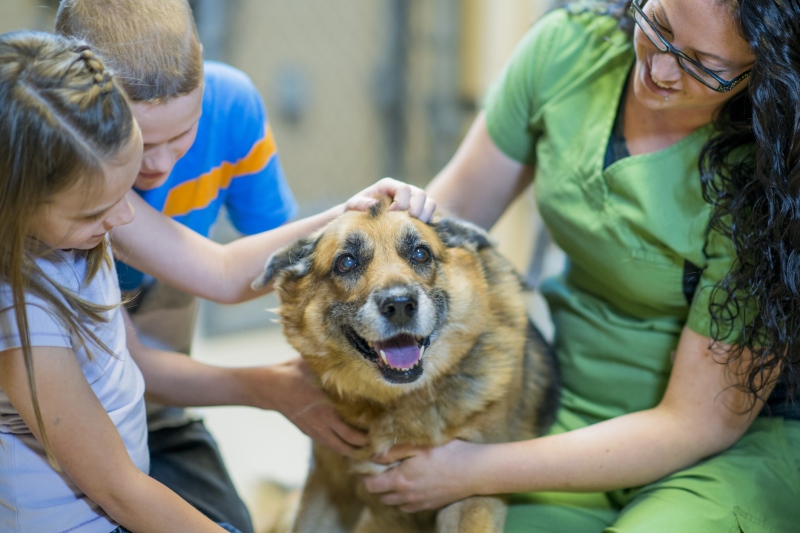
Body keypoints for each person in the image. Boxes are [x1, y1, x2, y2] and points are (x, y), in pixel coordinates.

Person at [361, 0, 800, 531]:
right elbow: (444, 225)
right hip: (565, 407)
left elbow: (695, 423)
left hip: (731, 444)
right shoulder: (568, 51)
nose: (660, 70)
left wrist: (470, 470)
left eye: (704, 63)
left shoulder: (772, 174)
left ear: (768, 66)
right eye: (657, 26)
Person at [0, 30, 434, 533]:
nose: (124, 220)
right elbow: (120, 490)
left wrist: (347, 212)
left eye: (127, 192)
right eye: (98, 209)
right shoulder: (23, 317)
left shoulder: (85, 218)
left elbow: (224, 273)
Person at [54, 1, 295, 530]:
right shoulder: (47, 147)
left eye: (182, 136)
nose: (161, 167)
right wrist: (272, 389)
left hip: (156, 412)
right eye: (140, 142)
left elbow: (259, 267)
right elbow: (220, 276)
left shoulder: (234, 106)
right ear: (72, 103)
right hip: (58, 409)